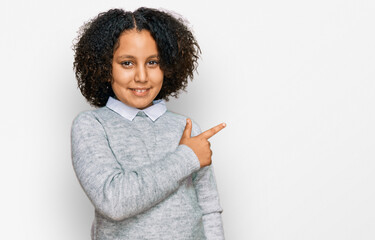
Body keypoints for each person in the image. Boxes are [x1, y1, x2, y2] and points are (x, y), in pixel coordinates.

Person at [71, 7, 226, 240]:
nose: (142, 76)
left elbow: (209, 207)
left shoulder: (186, 127)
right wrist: (186, 157)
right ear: (105, 66)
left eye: (152, 62)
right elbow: (114, 201)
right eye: (127, 63)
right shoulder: (91, 125)